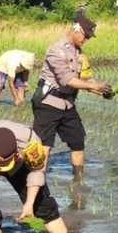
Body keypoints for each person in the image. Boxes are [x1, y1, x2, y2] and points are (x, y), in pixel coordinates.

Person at [31, 15, 110, 182]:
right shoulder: (56, 50)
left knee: (78, 142)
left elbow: (85, 78)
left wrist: (102, 90)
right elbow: (67, 79)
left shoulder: (78, 52)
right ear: (76, 30)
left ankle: (78, 182)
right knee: (45, 145)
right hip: (48, 103)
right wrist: (94, 86)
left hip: (67, 103)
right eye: (85, 35)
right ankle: (38, 182)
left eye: (89, 37)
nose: (86, 39)